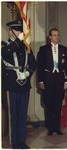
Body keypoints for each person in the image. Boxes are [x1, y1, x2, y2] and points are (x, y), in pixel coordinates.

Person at [1, 20, 37, 149]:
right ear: (10, 31)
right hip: (12, 86)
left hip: (24, 85)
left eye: (20, 30)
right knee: (13, 115)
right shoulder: (4, 45)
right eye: (16, 30)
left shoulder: (25, 46)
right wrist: (18, 40)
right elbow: (5, 54)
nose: (19, 33)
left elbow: (33, 63)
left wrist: (27, 73)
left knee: (22, 115)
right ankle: (14, 141)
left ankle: (21, 141)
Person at [37, 28, 67, 136]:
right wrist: (41, 81)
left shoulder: (64, 49)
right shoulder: (43, 49)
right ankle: (50, 128)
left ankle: (57, 128)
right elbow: (40, 66)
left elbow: (66, 67)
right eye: (54, 35)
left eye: (58, 35)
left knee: (58, 104)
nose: (57, 37)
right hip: (48, 79)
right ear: (50, 37)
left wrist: (66, 80)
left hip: (59, 79)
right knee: (49, 104)